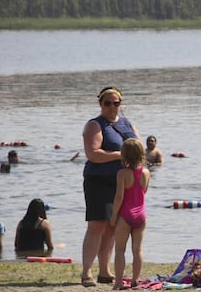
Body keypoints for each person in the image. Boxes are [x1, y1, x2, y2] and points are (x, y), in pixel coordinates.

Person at [81, 86, 141, 287]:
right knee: (97, 225)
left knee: (113, 227)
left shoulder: (126, 123)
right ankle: (87, 272)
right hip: (98, 180)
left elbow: (138, 150)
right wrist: (119, 155)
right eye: (107, 103)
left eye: (116, 103)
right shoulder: (95, 125)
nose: (112, 107)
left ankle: (105, 272)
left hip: (123, 182)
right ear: (100, 104)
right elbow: (93, 154)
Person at [110, 138, 150, 290]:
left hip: (125, 215)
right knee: (137, 249)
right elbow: (144, 191)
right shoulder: (146, 172)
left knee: (120, 249)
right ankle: (135, 280)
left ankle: (119, 282)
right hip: (141, 214)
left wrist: (114, 215)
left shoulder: (122, 174)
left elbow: (119, 197)